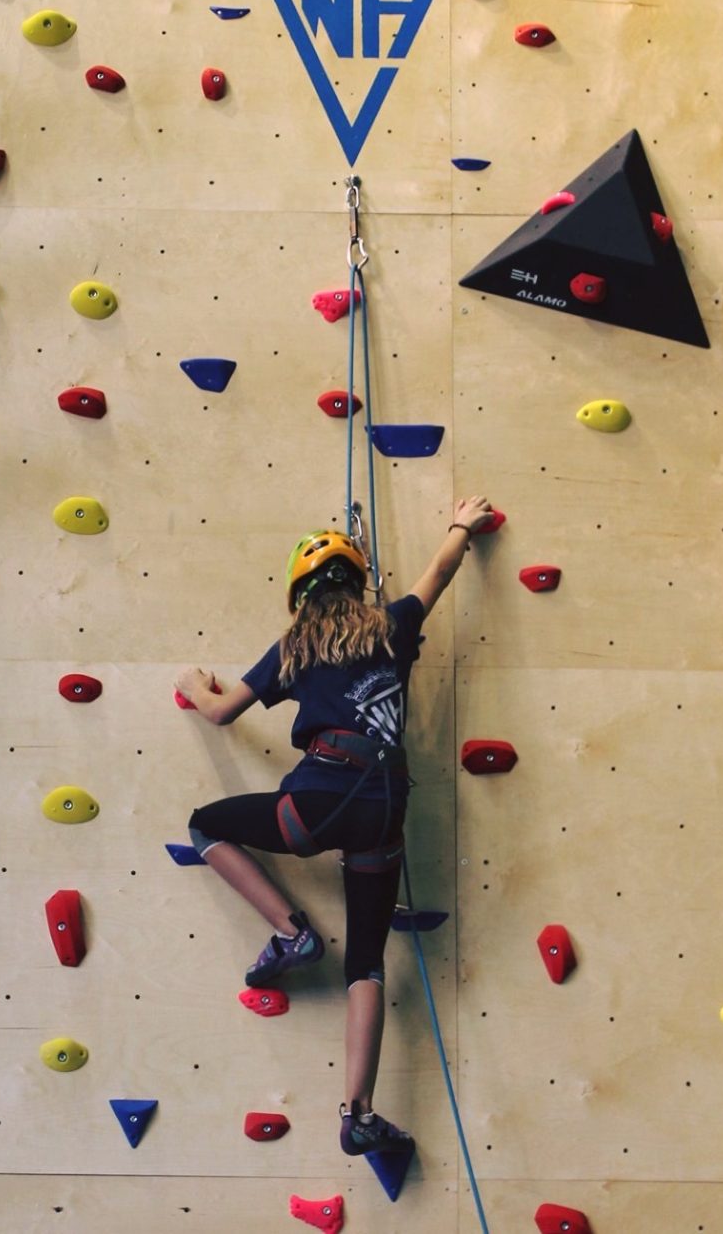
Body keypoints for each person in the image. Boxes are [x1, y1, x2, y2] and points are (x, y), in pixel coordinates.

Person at [176, 496, 494, 1158]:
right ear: (358, 580)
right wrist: (463, 522)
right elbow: (439, 569)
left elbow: (220, 712)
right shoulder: (395, 626)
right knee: (367, 965)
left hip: (313, 804)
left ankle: (291, 933)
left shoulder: (292, 649)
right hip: (381, 808)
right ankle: (358, 1112)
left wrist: (193, 678)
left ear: (300, 597)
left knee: (206, 827)